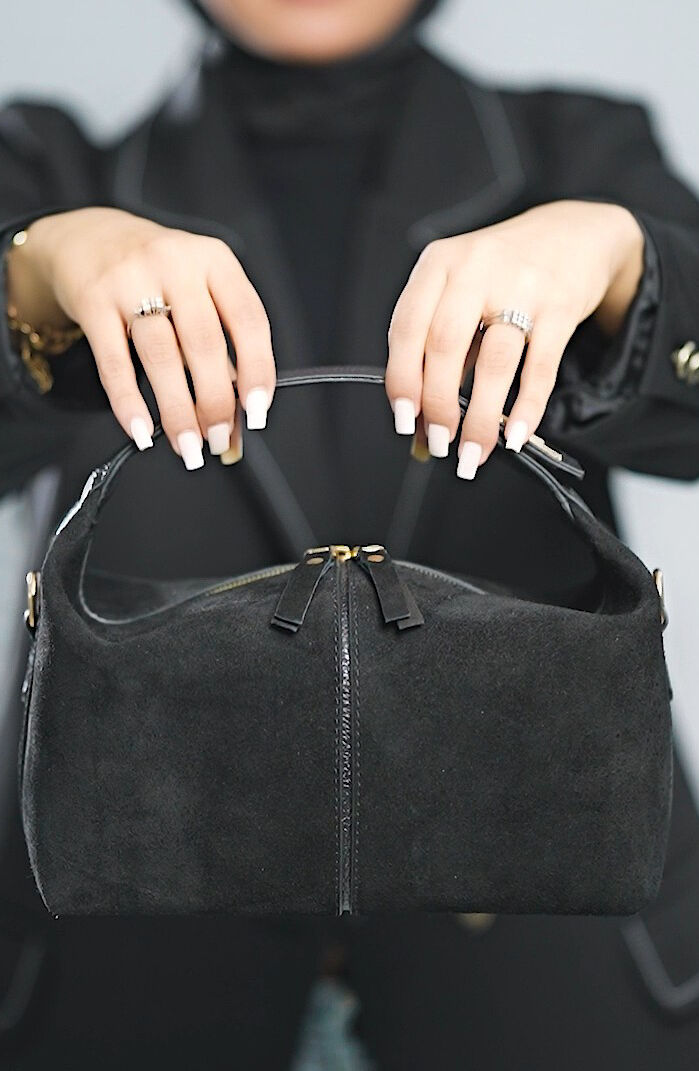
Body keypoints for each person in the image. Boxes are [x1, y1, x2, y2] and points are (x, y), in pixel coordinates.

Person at [0, 0, 698, 1066]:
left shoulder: (577, 148)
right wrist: (36, 272)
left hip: (547, 984)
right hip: (130, 981)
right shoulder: (52, 168)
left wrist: (620, 264)